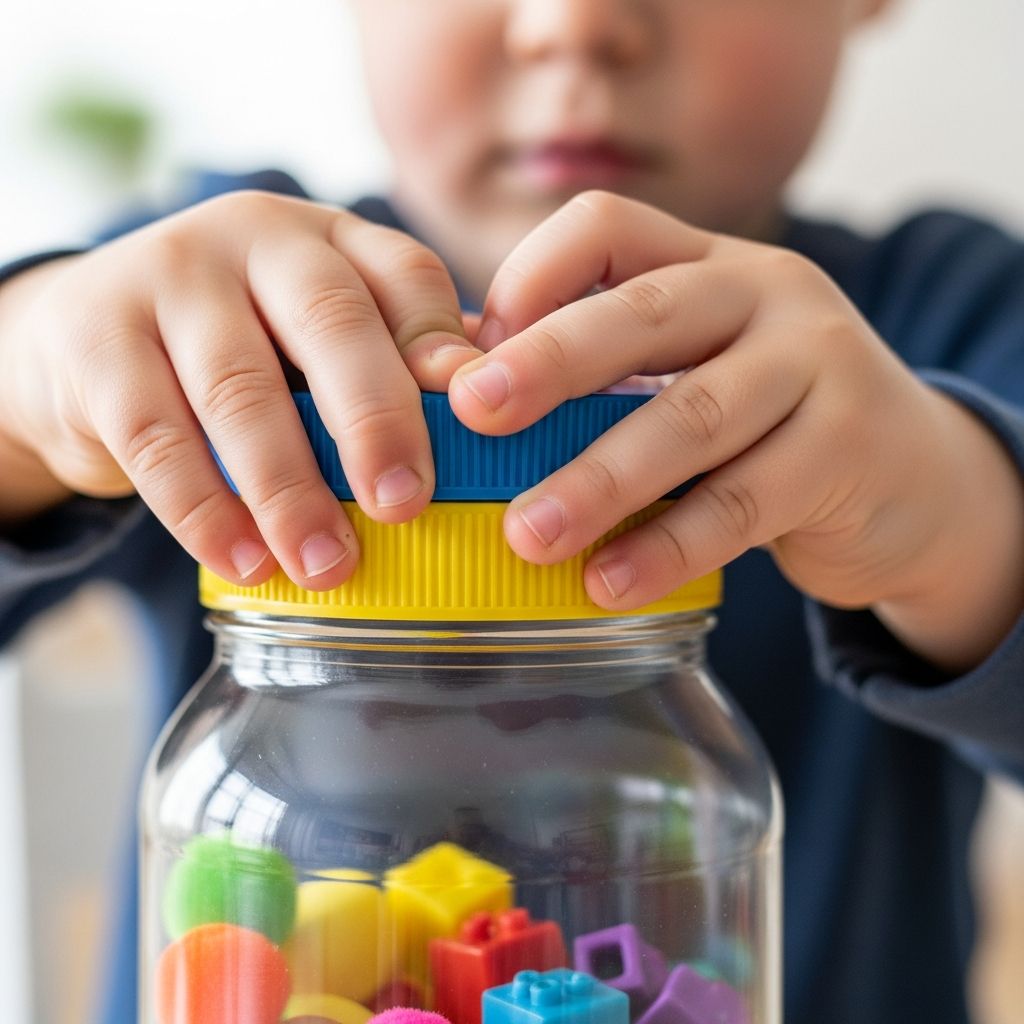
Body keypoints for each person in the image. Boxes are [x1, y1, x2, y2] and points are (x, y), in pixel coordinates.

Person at [0, 1, 1022, 1022]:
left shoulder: (946, 322)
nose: (573, 24)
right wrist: (27, 373)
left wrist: (961, 520)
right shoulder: (212, 314)